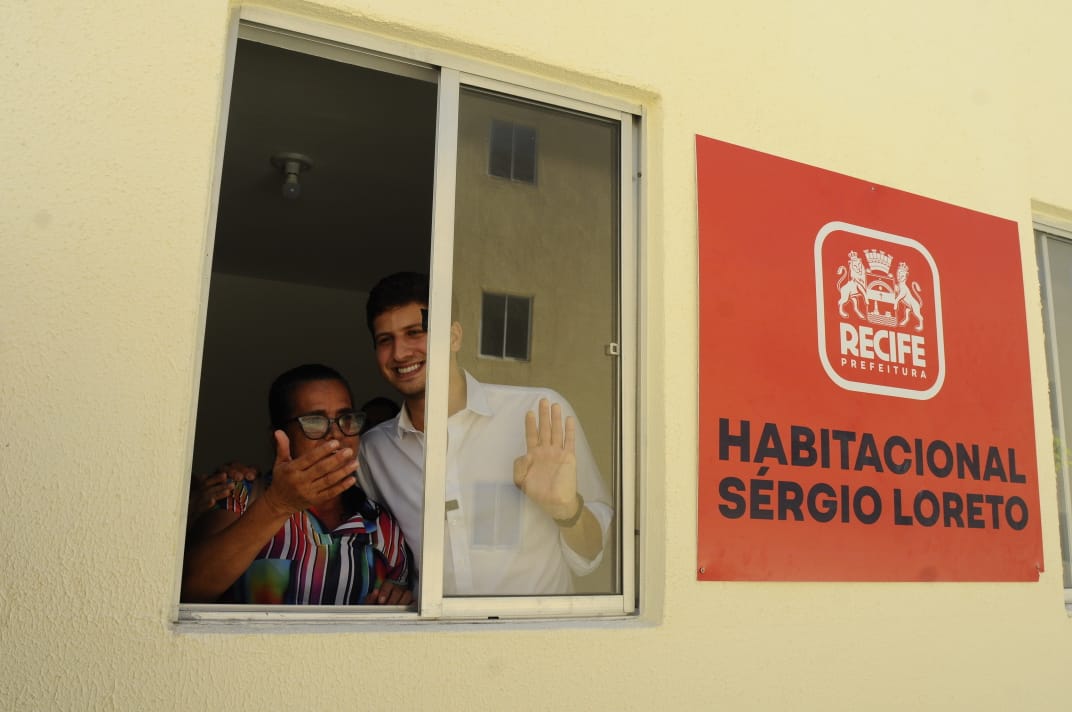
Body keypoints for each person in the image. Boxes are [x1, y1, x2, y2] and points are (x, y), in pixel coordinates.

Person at [359, 272, 612, 595]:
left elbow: (593, 556)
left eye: (415, 332)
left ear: (453, 337)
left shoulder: (537, 413)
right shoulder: (375, 451)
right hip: (434, 641)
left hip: (536, 638)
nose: (399, 353)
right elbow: (381, 551)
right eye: (385, 340)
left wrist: (568, 511)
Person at [182, 364, 412, 605]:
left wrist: (397, 601)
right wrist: (277, 505)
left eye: (346, 418)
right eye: (314, 421)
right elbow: (189, 590)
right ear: (279, 436)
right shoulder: (239, 496)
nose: (336, 435)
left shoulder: (380, 523)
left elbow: (398, 603)